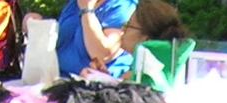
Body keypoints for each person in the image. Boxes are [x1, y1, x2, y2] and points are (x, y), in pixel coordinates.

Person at [55, 0, 186, 79]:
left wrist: (87, 10)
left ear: (145, 40)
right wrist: (102, 79)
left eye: (128, 26)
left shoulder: (146, 75)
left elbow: (104, 53)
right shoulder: (139, 70)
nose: (122, 30)